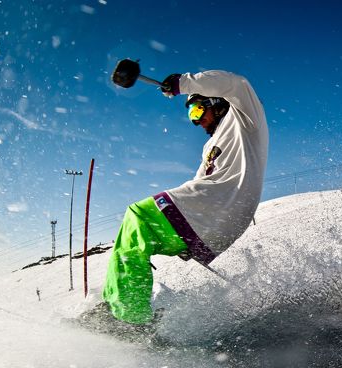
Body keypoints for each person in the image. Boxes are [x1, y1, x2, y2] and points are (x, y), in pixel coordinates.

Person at [100, 69, 268, 324]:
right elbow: (199, 181)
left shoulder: (243, 118)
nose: (196, 121)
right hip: (212, 216)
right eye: (191, 115)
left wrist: (183, 84)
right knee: (136, 239)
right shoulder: (210, 146)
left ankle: (130, 318)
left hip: (220, 207)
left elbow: (235, 83)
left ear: (215, 103)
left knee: (138, 218)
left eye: (198, 111)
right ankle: (121, 307)